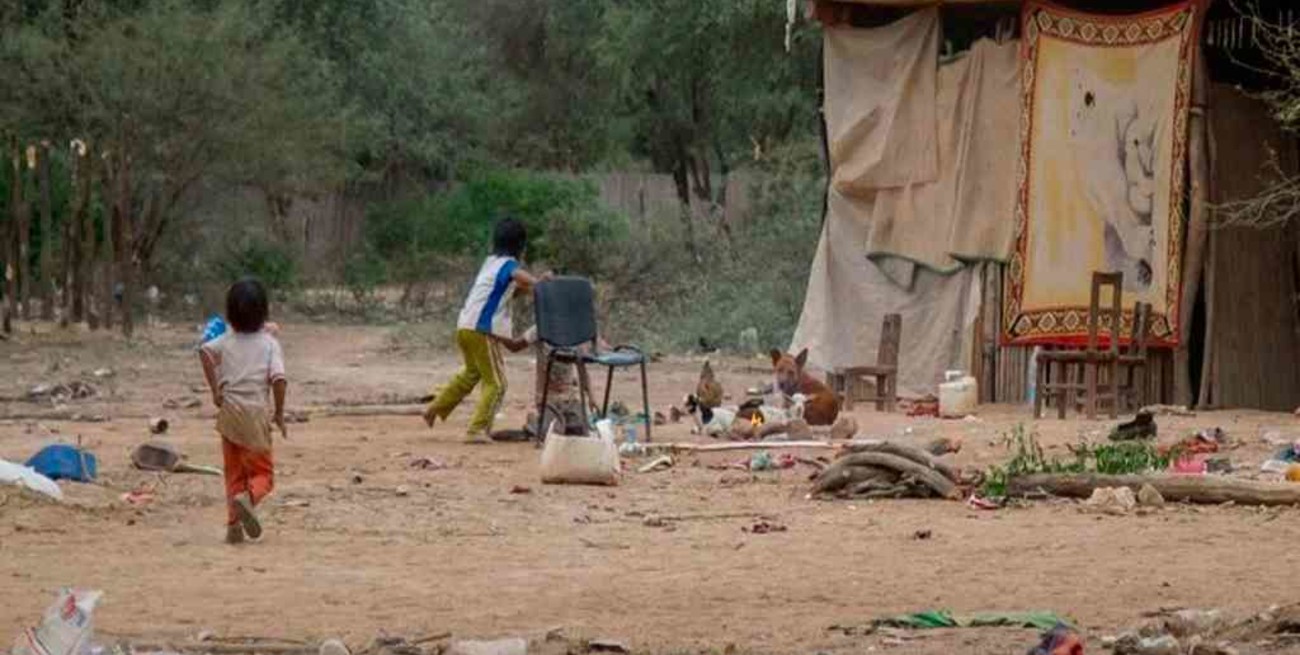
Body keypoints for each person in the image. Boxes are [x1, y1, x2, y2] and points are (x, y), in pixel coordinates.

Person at [424, 217, 545, 443]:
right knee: (497, 383)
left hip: (465, 327)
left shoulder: (490, 263)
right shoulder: (509, 265)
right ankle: (477, 430)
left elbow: (507, 292)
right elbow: (518, 276)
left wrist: (534, 286)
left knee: (471, 374)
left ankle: (436, 407)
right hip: (482, 330)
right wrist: (541, 284)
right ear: (521, 246)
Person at [199, 278, 288, 544]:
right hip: (255, 414)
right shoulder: (269, 344)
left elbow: (205, 353)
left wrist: (215, 390)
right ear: (264, 312)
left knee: (234, 474)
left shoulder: (226, 340)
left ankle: (233, 527)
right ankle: (248, 499)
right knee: (263, 476)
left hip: (229, 414)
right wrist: (279, 413)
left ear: (230, 313)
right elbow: (279, 379)